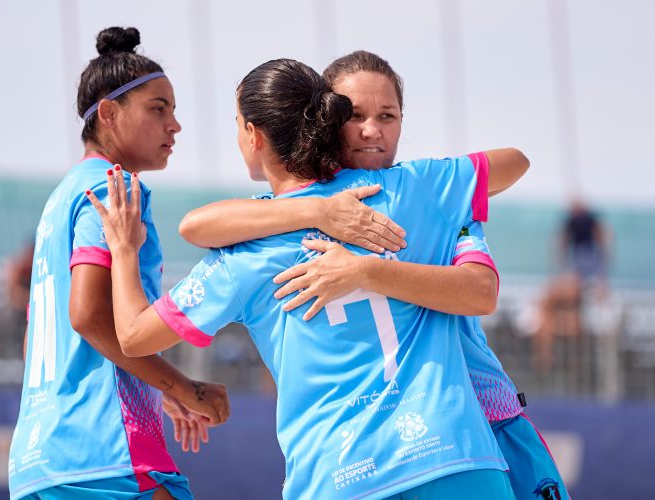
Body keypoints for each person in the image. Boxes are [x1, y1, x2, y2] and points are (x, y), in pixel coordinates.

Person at [89, 58, 515, 499]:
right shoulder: (402, 189)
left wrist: (123, 250)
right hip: (455, 460)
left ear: (253, 135)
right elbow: (511, 165)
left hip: (342, 477)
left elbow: (135, 336)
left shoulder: (244, 255)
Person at [177, 50, 568, 499]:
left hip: (487, 423)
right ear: (323, 119)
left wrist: (365, 271)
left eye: (388, 115)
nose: (371, 129)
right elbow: (196, 225)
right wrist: (319, 209)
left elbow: (481, 290)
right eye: (354, 114)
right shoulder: (297, 214)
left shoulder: (433, 197)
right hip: (400, 453)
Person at [8, 27, 229, 500]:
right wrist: (183, 386)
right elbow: (87, 315)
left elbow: (39, 337)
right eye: (159, 109)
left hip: (39, 460)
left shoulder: (59, 201)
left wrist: (155, 385)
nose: (175, 126)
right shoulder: (114, 188)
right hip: (105, 453)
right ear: (108, 113)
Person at [534, 197, 610, 374]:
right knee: (552, 311)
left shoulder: (585, 252)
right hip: (578, 283)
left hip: (579, 282)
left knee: (552, 308)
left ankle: (550, 360)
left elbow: (599, 241)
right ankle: (559, 362)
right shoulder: (584, 238)